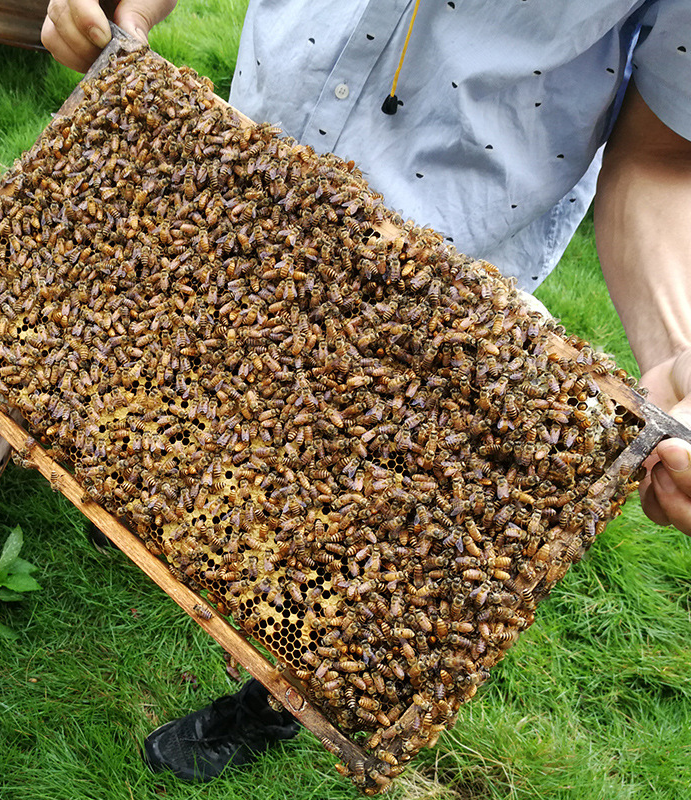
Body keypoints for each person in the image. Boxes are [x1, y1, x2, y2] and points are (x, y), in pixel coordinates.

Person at [42, 0, 691, 782]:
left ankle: (271, 696)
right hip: (253, 180)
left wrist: (679, 355)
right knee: (210, 406)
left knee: (346, 530)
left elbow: (661, 152)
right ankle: (159, 496)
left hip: (432, 287)